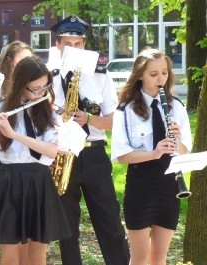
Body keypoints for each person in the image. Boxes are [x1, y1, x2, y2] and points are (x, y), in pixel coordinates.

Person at [0, 55, 70, 265]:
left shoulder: (48, 109)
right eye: (35, 89)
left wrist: (14, 135)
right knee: (10, 254)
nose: (41, 93)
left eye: (44, 87)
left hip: (39, 181)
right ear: (21, 84)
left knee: (37, 254)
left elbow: (51, 150)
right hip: (9, 181)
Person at [49, 15, 130, 265]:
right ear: (58, 45)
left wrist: (89, 120)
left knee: (110, 221)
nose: (74, 49)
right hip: (62, 154)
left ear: (85, 46)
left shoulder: (100, 75)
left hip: (93, 154)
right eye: (68, 44)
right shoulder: (46, 75)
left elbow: (114, 120)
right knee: (67, 229)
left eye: (78, 44)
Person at [111, 48, 192, 265]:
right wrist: (154, 153)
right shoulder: (125, 110)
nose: (161, 79)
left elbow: (186, 151)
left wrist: (178, 139)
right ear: (139, 75)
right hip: (141, 184)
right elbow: (121, 155)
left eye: (164, 73)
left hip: (170, 184)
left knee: (159, 257)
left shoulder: (177, 107)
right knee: (139, 258)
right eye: (153, 74)